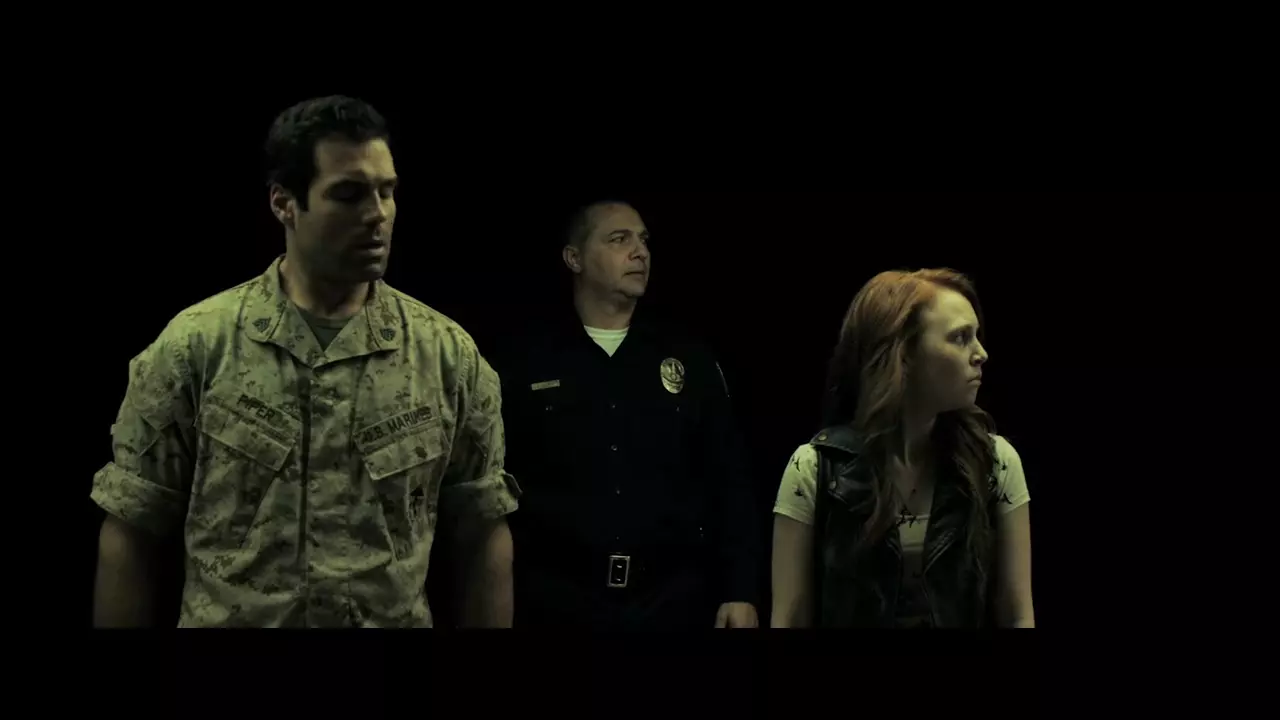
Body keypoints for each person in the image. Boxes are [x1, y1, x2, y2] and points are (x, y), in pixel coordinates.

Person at [89, 95, 520, 628]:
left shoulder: (447, 356)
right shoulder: (197, 347)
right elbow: (131, 528)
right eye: (348, 194)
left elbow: (483, 533)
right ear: (284, 203)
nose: (378, 214)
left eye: (387, 192)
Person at [491, 200, 761, 629]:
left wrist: (740, 589)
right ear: (574, 258)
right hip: (557, 601)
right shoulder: (525, 362)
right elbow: (492, 490)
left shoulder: (686, 359)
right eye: (620, 239)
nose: (640, 252)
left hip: (672, 601)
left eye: (644, 241)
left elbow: (729, 479)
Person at [770, 268, 1034, 628]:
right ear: (904, 353)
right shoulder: (815, 469)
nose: (981, 354)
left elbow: (1018, 614)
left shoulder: (995, 463)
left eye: (977, 336)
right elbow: (789, 618)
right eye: (960, 337)